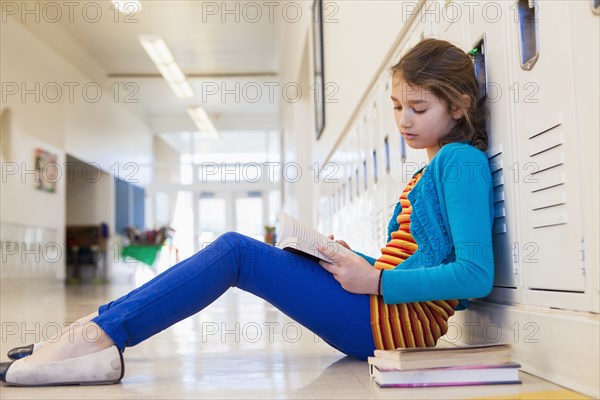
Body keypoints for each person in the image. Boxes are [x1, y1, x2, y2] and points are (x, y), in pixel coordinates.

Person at [0, 38, 494, 386]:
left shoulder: (460, 161)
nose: (404, 120)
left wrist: (376, 281)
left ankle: (99, 338)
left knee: (236, 251)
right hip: (379, 311)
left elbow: (474, 275)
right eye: (395, 106)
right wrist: (354, 259)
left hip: (384, 324)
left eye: (418, 108)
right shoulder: (431, 168)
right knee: (250, 251)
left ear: (459, 106)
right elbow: (419, 259)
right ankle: (95, 331)